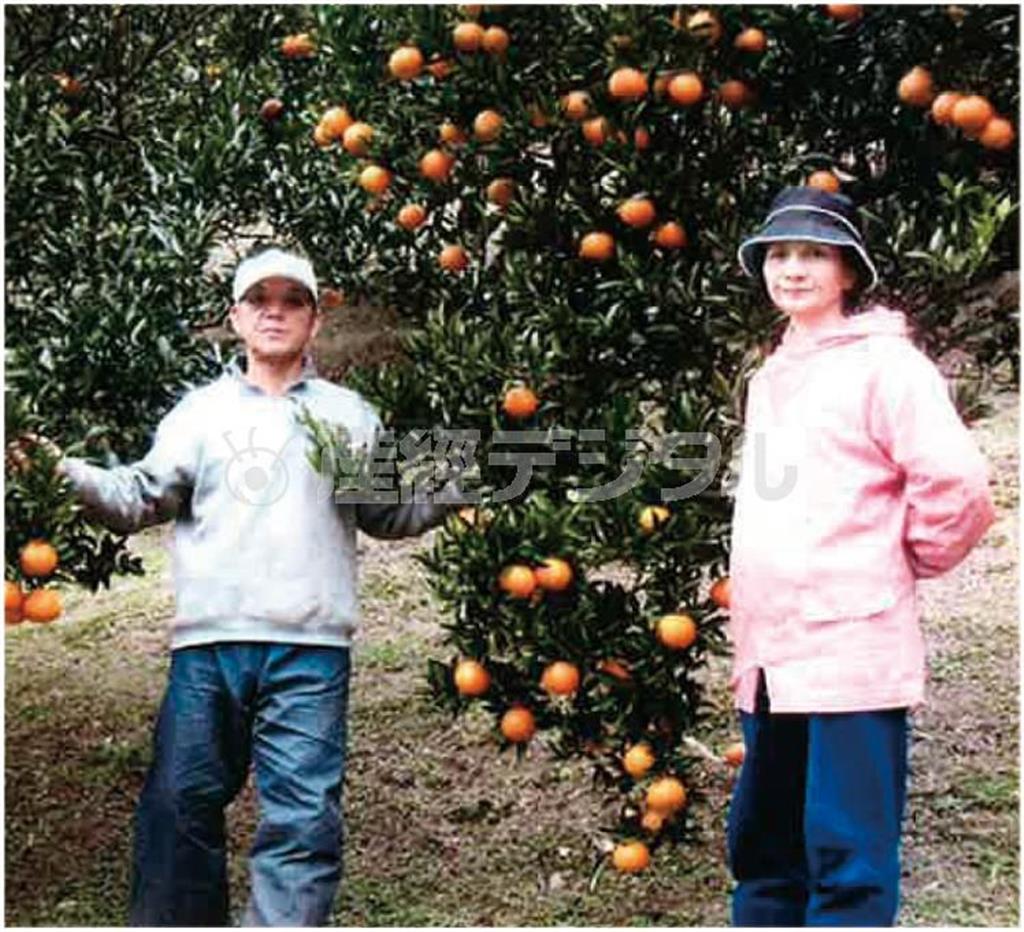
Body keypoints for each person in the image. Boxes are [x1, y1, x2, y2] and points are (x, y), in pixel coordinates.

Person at [59, 245, 456, 926]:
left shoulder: (350, 416)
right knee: (179, 808)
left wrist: (468, 478)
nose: (275, 312)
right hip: (209, 648)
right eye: (260, 300)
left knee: (303, 823)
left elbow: (391, 512)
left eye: (292, 300)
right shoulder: (199, 415)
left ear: (314, 320)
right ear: (237, 318)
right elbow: (137, 497)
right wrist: (57, 471)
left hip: (311, 651)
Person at [725, 186, 996, 926]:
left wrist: (901, 560)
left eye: (814, 253)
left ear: (849, 270)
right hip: (772, 657)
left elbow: (959, 483)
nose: (793, 269)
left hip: (850, 648)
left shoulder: (888, 367)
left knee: (847, 855)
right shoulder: (771, 373)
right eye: (779, 253)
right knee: (765, 847)